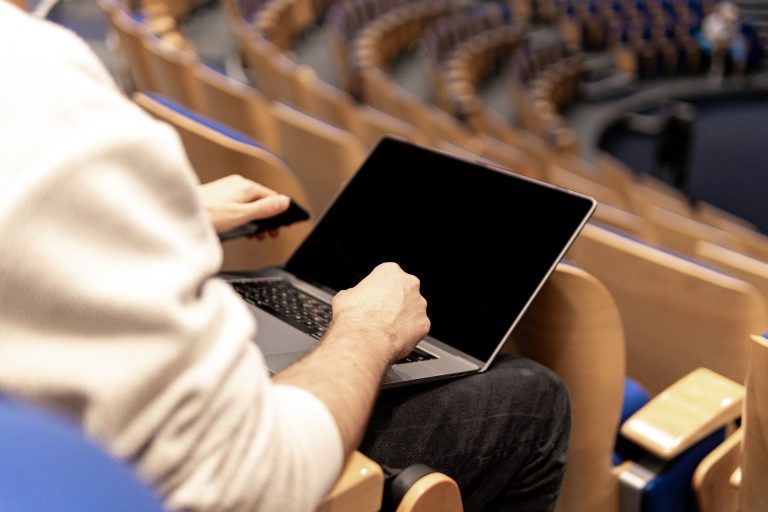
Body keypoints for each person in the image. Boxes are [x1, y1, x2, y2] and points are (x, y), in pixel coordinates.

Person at [0, 3, 570, 511]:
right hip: (155, 472)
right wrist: (365, 333)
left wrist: (156, 223)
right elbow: (247, 476)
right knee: (532, 395)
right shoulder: (40, 75)